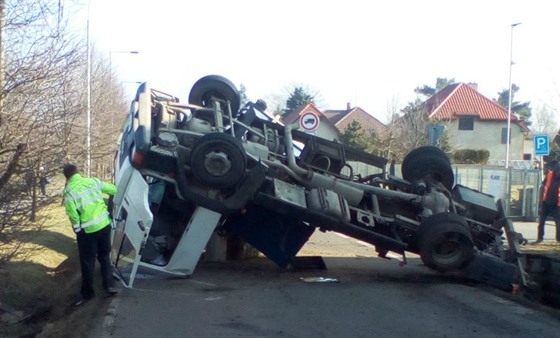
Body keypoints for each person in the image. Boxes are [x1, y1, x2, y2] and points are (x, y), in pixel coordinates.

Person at [63, 163, 118, 306]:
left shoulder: (69, 191)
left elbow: (72, 213)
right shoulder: (93, 181)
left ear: (67, 177)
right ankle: (109, 286)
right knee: (105, 257)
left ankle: (88, 294)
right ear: (78, 172)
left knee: (87, 262)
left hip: (87, 231)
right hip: (104, 225)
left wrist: (77, 229)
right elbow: (113, 189)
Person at [535, 160, 560, 243]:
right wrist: (540, 199)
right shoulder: (550, 174)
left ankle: (559, 239)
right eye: (556, 170)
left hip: (557, 204)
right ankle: (540, 238)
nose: (557, 172)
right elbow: (542, 186)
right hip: (546, 202)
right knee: (541, 221)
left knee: (558, 223)